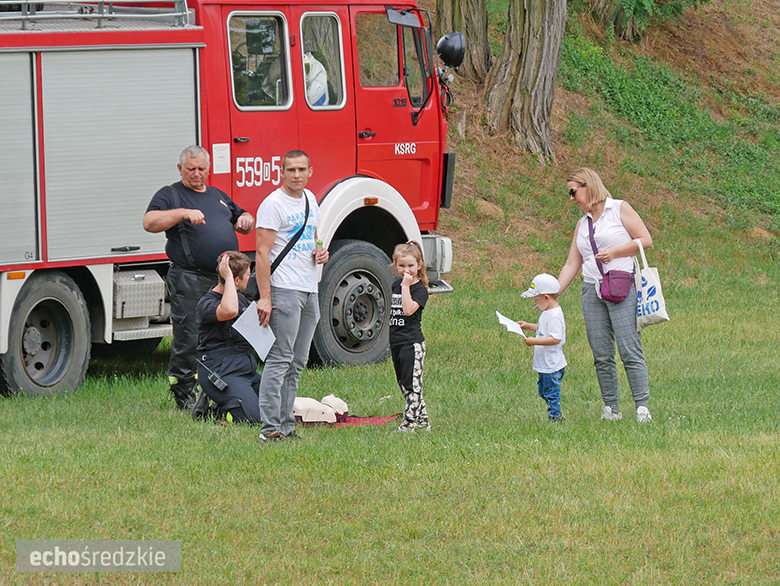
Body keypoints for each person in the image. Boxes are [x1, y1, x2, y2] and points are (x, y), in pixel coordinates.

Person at [144, 145, 255, 410]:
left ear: (209, 169)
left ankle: (218, 387)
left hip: (225, 280)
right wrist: (182, 213)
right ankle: (183, 392)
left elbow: (243, 215)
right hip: (190, 279)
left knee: (228, 333)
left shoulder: (218, 196)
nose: (197, 174)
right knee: (190, 336)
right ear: (180, 168)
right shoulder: (170, 194)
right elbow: (149, 222)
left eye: (202, 169)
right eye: (191, 169)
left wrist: (246, 220)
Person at [557, 167, 654, 422]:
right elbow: (571, 264)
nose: (571, 198)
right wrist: (553, 295)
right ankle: (611, 408)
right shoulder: (582, 224)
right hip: (592, 289)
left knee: (629, 349)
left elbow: (645, 240)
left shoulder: (619, 209)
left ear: (587, 185)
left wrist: (616, 253)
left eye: (573, 192)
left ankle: (641, 407)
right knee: (601, 354)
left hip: (621, 285)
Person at [255, 149, 329, 442]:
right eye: (290, 170)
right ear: (281, 173)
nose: (296, 175)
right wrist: (265, 297)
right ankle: (269, 428)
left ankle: (287, 426)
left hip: (310, 288)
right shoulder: (272, 205)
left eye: (301, 170)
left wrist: (321, 251)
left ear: (310, 172)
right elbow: (261, 253)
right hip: (284, 289)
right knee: (280, 359)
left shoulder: (311, 199)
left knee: (298, 361)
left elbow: (314, 235)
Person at [194, 251, 262, 424]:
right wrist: (229, 279)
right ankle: (219, 409)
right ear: (236, 280)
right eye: (248, 274)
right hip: (222, 370)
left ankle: (232, 400)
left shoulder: (240, 299)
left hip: (246, 370)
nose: (250, 277)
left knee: (277, 407)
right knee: (252, 417)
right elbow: (229, 310)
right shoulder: (207, 303)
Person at [388, 241, 430, 432]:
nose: (406, 270)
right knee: (404, 385)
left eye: (411, 266)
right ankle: (423, 421)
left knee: (413, 386)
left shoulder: (419, 290)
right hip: (396, 342)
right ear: (395, 265)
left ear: (419, 265)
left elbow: (407, 310)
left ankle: (408, 424)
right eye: (402, 265)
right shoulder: (394, 285)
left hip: (412, 343)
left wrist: (406, 286)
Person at [517, 274, 567, 422]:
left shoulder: (555, 315)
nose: (535, 302)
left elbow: (555, 338)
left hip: (551, 364)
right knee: (544, 391)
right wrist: (527, 326)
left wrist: (534, 342)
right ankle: (553, 414)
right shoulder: (547, 312)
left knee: (551, 393)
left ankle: (555, 417)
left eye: (536, 299)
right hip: (544, 363)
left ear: (546, 297)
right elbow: (543, 329)